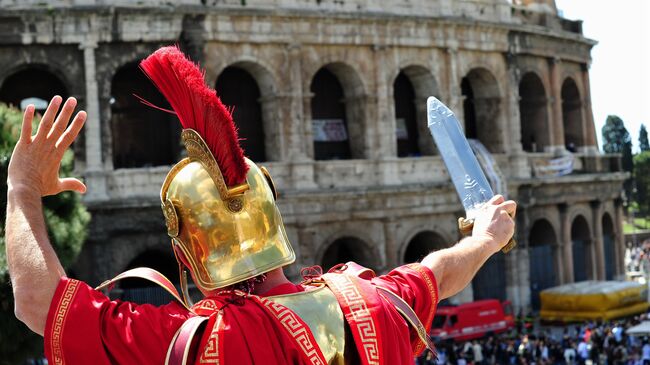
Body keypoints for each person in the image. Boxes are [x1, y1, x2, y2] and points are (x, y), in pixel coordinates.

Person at [6, 46, 516, 365]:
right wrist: (484, 240)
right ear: (273, 221)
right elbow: (439, 271)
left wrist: (23, 190)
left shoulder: (195, 341)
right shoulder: (376, 300)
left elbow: (36, 302)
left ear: (188, 257)